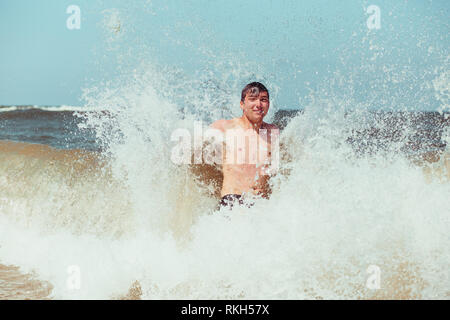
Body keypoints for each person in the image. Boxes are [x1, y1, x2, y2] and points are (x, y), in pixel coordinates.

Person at [209, 82, 279, 210]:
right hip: (232, 201)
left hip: (261, 205)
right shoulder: (224, 127)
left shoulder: (273, 132)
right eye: (252, 99)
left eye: (263, 100)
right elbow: (196, 147)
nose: (258, 104)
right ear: (242, 104)